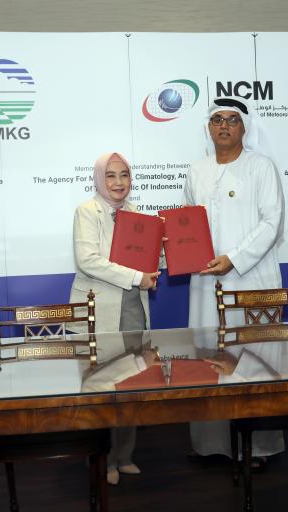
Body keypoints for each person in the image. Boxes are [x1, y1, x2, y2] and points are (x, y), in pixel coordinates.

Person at [183, 97, 286, 462]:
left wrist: (234, 259)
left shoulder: (261, 167)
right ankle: (212, 444)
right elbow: (188, 225)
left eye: (232, 120)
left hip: (251, 278)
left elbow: (272, 223)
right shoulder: (196, 170)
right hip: (206, 281)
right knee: (210, 357)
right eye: (217, 120)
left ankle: (258, 447)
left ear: (245, 128)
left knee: (254, 358)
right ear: (208, 128)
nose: (224, 126)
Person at [69, 151, 161, 485]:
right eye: (111, 175)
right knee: (101, 388)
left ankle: (124, 456)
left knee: (132, 385)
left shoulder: (137, 214)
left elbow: (149, 261)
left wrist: (163, 255)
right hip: (99, 311)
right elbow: (88, 260)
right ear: (98, 178)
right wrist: (139, 276)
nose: (119, 182)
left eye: (124, 175)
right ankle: (102, 460)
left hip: (134, 307)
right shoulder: (86, 211)